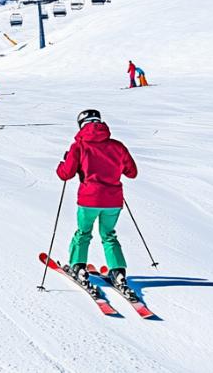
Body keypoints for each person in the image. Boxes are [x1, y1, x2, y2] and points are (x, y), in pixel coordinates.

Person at [56, 109, 138, 294]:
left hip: (89, 200)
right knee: (108, 235)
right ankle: (118, 272)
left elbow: (65, 174)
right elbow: (132, 173)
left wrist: (64, 162)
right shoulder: (117, 146)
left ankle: (78, 267)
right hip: (113, 201)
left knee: (83, 233)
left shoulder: (79, 147)